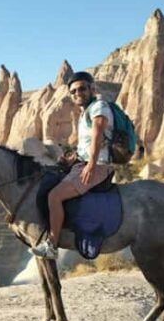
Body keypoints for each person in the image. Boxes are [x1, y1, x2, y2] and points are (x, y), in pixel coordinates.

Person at [31, 71, 114, 260]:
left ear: (92, 88)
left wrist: (91, 165)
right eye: (74, 91)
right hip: (82, 162)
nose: (78, 93)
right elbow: (86, 144)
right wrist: (72, 159)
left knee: (55, 196)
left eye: (82, 88)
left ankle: (52, 245)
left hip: (99, 165)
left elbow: (98, 134)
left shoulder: (99, 107)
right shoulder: (86, 112)